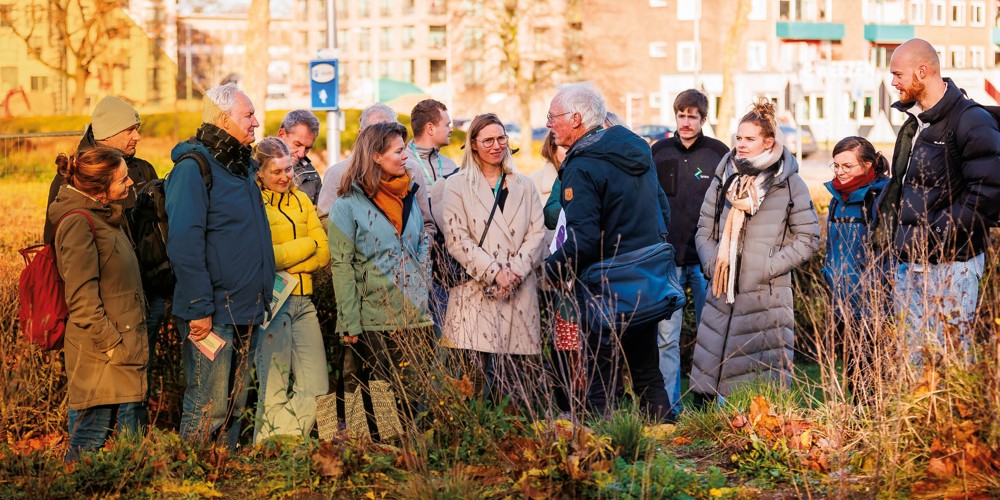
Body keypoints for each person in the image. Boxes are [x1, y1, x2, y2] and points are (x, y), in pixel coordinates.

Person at [543, 82, 673, 421]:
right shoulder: (636, 149)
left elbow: (584, 239)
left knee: (602, 379)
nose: (548, 125)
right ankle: (664, 450)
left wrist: (550, 271)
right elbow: (662, 210)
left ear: (575, 119)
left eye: (552, 117)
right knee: (647, 371)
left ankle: (609, 452)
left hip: (606, 288)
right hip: (645, 282)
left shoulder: (582, 165)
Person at [165, 83, 275, 449]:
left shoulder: (241, 167)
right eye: (248, 114)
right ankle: (188, 476)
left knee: (234, 404)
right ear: (223, 119)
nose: (256, 122)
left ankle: (223, 473)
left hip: (246, 308)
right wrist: (199, 308)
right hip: (212, 312)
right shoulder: (193, 168)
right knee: (207, 404)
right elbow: (184, 242)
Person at [689, 99, 820, 406]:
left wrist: (765, 267)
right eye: (738, 138)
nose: (741, 145)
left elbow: (808, 238)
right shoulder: (725, 178)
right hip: (722, 290)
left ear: (768, 142)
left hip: (766, 298)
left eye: (749, 139)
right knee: (720, 382)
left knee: (760, 392)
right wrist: (712, 263)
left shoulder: (789, 184)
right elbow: (704, 228)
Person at [879, 38, 1000, 361]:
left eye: (898, 74)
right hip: (911, 267)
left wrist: (935, 233)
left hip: (953, 267)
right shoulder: (915, 123)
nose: (893, 83)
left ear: (923, 71)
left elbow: (988, 194)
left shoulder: (971, 121)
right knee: (913, 366)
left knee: (951, 363)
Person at [41, 96, 166, 403]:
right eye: (130, 130)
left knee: (135, 390)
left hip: (143, 294)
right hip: (105, 312)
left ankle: (128, 450)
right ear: (108, 134)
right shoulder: (78, 176)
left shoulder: (143, 168)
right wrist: (107, 335)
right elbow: (61, 246)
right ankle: (115, 449)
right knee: (100, 401)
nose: (137, 136)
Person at [328, 121, 433, 423]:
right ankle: (381, 460)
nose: (405, 157)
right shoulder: (346, 206)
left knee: (414, 399)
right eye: (399, 151)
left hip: (414, 313)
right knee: (382, 404)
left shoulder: (407, 194)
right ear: (376, 155)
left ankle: (413, 461)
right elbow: (342, 267)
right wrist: (350, 324)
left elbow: (422, 239)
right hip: (374, 318)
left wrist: (421, 278)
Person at [48, 146, 148, 461]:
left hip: (120, 351)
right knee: (87, 446)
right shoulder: (79, 224)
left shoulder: (106, 217)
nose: (131, 182)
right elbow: (81, 299)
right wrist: (113, 347)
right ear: (101, 190)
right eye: (122, 179)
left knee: (124, 451)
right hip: (101, 356)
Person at [440, 113, 546, 402]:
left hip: (518, 289)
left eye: (501, 138)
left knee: (515, 385)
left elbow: (537, 234)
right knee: (471, 385)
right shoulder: (457, 185)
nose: (497, 145)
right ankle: (364, 433)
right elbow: (457, 238)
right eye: (488, 140)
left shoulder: (524, 184)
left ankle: (515, 439)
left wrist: (513, 273)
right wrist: (495, 273)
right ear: (473, 144)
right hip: (476, 292)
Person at [651, 89, 729, 417]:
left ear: (703, 119)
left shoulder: (719, 154)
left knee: (710, 334)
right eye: (681, 115)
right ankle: (670, 405)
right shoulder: (659, 152)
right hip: (668, 258)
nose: (686, 122)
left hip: (706, 261)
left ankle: (711, 400)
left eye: (692, 116)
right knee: (667, 336)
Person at [252, 137, 330, 443]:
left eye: (288, 169)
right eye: (277, 172)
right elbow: (265, 256)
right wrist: (307, 245)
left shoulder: (301, 200)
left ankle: (281, 442)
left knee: (317, 387)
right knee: (274, 388)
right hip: (273, 303)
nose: (285, 177)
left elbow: (323, 254)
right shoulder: (254, 203)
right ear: (260, 173)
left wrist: (292, 256)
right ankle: (271, 452)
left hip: (303, 301)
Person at [821, 136, 890, 402]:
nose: (840, 172)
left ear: (868, 165)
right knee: (854, 373)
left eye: (847, 166)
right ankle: (860, 424)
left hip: (874, 304)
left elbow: (888, 252)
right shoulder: (837, 199)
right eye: (836, 166)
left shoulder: (879, 198)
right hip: (843, 302)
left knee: (875, 372)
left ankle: (876, 428)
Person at [405, 99, 459, 330]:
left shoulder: (451, 165)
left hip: (449, 261)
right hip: (416, 258)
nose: (451, 128)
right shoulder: (402, 162)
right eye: (447, 124)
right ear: (430, 128)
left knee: (446, 328)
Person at [316, 103, 398, 217]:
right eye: (375, 130)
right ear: (361, 134)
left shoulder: (410, 169)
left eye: (389, 131)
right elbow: (325, 218)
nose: (382, 136)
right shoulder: (337, 173)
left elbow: (425, 222)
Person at [277, 110, 322, 206]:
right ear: (281, 135)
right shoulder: (253, 167)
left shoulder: (313, 176)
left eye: (307, 148)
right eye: (297, 144)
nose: (301, 154)